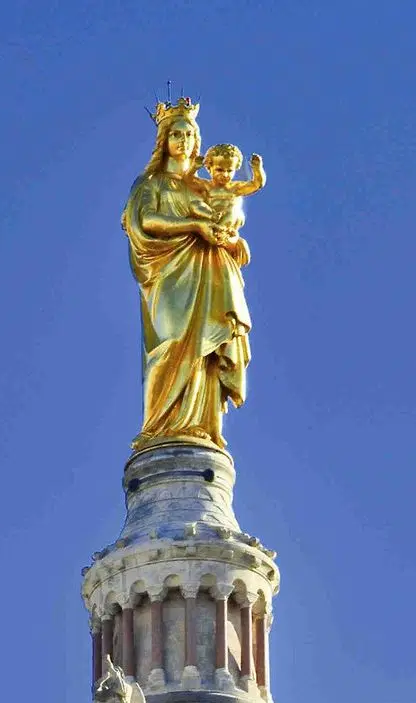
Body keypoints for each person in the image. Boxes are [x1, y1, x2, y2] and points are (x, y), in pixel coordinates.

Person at [121, 100, 255, 451]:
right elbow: (146, 220)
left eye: (189, 135)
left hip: (211, 268)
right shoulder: (152, 183)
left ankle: (205, 425)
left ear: (197, 142)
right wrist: (194, 225)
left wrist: (232, 240)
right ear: (164, 140)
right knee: (172, 340)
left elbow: (225, 222)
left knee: (208, 345)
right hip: (169, 271)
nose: (183, 141)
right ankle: (157, 426)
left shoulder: (204, 187)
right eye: (176, 134)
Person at [190, 143, 265, 258]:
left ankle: (220, 231)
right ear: (209, 168)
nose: (225, 174)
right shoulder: (206, 186)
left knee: (233, 210)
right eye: (219, 170)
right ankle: (212, 223)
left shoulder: (235, 188)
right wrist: (194, 167)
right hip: (210, 219)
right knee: (195, 205)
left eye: (229, 171)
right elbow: (188, 180)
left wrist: (257, 169)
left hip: (227, 224)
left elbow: (257, 184)